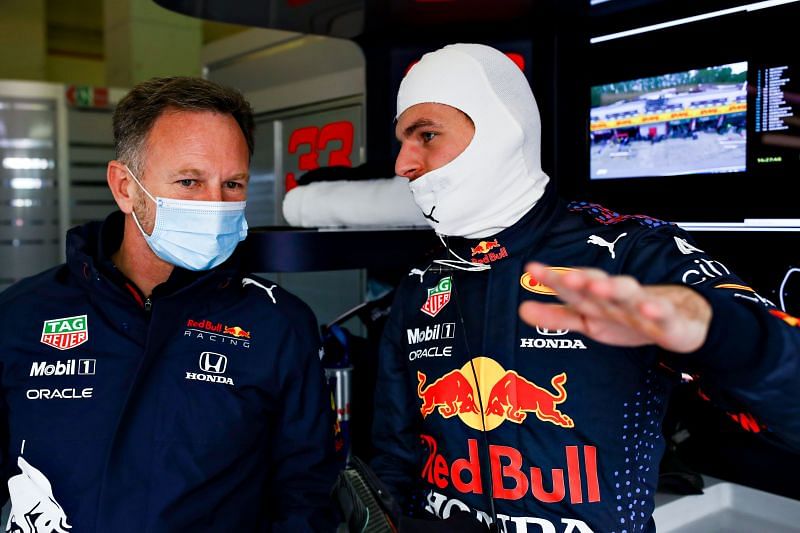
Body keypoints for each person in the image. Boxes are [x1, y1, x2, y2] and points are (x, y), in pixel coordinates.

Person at [371, 43, 800, 533]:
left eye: (426, 135)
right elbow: (395, 456)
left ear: (500, 132)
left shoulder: (631, 253)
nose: (404, 162)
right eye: (402, 140)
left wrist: (722, 332)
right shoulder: (421, 283)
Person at [0, 77, 339, 532]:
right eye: (189, 181)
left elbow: (306, 499)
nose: (215, 204)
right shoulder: (21, 315)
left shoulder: (278, 324)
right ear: (124, 187)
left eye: (233, 184)